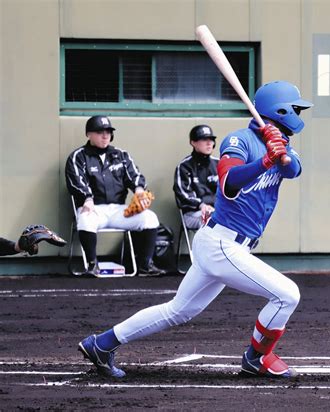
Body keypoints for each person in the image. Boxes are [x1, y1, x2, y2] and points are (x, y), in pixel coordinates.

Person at [77, 81, 313, 379]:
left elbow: (294, 170)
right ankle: (256, 358)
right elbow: (228, 184)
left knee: (178, 310)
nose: (299, 113)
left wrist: (280, 153)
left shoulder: (280, 142)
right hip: (222, 244)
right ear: (279, 110)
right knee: (287, 295)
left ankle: (101, 344)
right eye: (295, 108)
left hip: (229, 245)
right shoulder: (238, 141)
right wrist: (265, 160)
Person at [65, 115, 162, 276]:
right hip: (93, 208)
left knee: (150, 218)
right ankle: (92, 265)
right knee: (85, 219)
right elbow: (75, 181)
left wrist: (139, 190)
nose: (105, 136)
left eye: (108, 132)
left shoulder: (121, 155)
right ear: (89, 134)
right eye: (100, 132)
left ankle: (145, 266)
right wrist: (87, 198)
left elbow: (135, 175)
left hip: (119, 210)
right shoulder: (78, 156)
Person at [173, 125, 219, 230]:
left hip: (218, 211)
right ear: (193, 142)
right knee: (212, 219)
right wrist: (201, 205)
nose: (209, 143)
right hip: (193, 213)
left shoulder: (218, 164)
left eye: (211, 140)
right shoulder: (185, 166)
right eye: (204, 139)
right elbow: (183, 195)